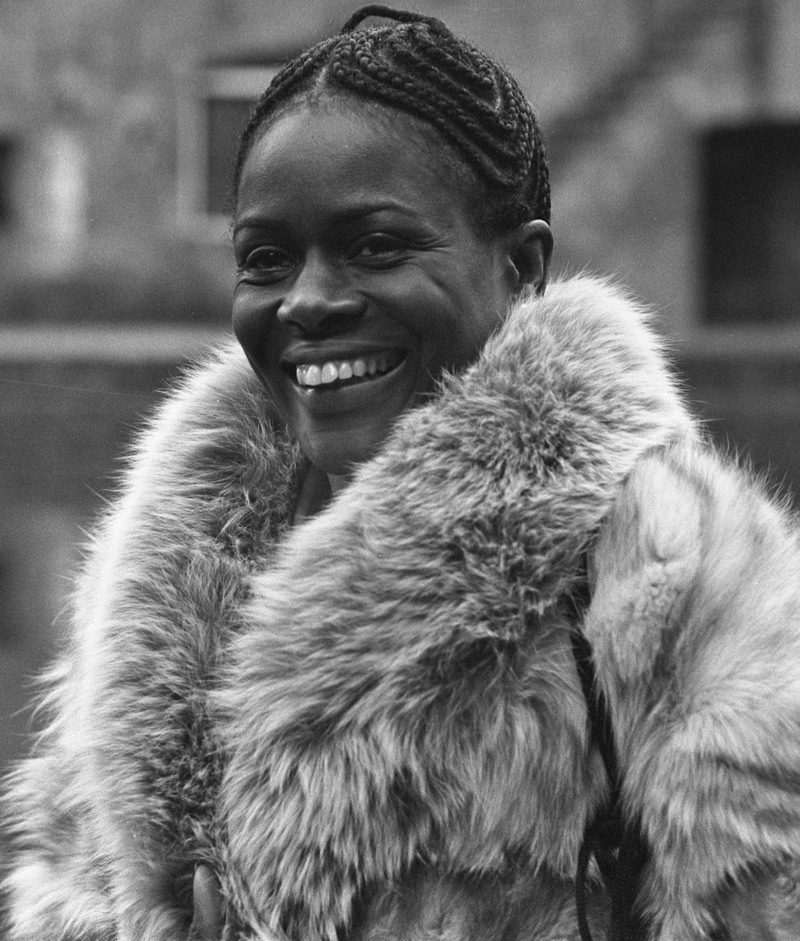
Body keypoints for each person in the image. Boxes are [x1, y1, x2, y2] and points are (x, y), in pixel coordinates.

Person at [3, 6, 800, 941]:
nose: (307, 300)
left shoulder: (679, 580)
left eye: (375, 245)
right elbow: (63, 894)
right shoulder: (165, 586)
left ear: (522, 268)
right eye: (266, 258)